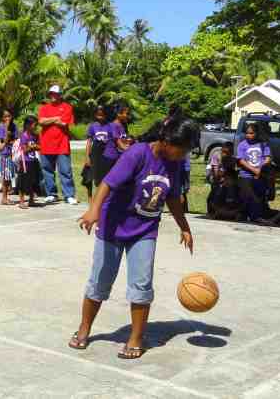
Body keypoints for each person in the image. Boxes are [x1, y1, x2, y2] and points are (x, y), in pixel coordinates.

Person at [69, 115, 198, 360]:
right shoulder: (137, 154)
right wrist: (94, 210)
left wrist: (185, 227)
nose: (184, 155)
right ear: (167, 140)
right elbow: (107, 184)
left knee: (141, 285)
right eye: (182, 149)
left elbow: (172, 197)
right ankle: (84, 328)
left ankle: (136, 339)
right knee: (100, 281)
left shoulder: (175, 163)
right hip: (113, 227)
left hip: (145, 230)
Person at [38, 85, 78, 205]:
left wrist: (49, 120)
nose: (53, 96)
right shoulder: (44, 108)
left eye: (55, 94)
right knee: (47, 171)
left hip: (62, 145)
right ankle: (51, 194)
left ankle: (69, 195)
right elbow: (41, 121)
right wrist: (55, 118)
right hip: (46, 144)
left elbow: (64, 123)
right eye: (51, 93)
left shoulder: (67, 107)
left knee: (65, 171)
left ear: (60, 95)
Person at [237, 123, 272, 222]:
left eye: (251, 133)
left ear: (257, 133)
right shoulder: (242, 144)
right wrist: (254, 170)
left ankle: (256, 216)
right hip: (246, 175)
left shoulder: (263, 144)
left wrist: (261, 168)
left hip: (260, 175)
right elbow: (241, 160)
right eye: (247, 133)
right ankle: (243, 215)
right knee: (246, 196)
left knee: (258, 197)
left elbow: (268, 158)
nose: (249, 135)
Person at [85, 106, 113, 201]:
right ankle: (94, 198)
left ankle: (104, 197)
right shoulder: (92, 126)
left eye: (102, 114)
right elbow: (89, 142)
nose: (100, 116)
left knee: (105, 176)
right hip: (95, 154)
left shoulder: (110, 126)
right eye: (98, 114)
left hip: (107, 154)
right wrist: (87, 157)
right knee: (95, 176)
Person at [17, 116, 41, 209]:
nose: (36, 127)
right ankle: (21, 201)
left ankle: (31, 200)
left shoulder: (35, 135)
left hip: (33, 160)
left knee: (33, 181)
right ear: (28, 125)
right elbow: (24, 149)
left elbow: (40, 146)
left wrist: (36, 147)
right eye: (34, 125)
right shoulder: (24, 136)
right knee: (23, 181)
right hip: (25, 162)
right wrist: (31, 147)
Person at [0, 110, 18, 205]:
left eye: (9, 116)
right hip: (5, 154)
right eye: (5, 116)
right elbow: (4, 141)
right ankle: (4, 198)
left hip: (13, 154)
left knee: (9, 176)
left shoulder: (14, 126)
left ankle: (6, 196)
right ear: (2, 118)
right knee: (6, 177)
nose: (8, 118)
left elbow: (16, 140)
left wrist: (11, 141)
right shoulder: (1, 127)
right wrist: (7, 130)